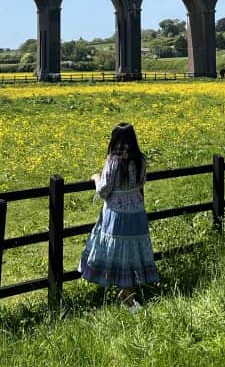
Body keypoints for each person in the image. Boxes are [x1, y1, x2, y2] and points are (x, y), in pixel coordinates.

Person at [79, 122, 158, 311]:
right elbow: (141, 184)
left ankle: (128, 298)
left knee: (118, 251)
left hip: (117, 214)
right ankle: (130, 297)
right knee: (131, 251)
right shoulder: (141, 160)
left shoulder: (113, 161)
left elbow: (104, 190)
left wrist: (96, 177)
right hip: (137, 213)